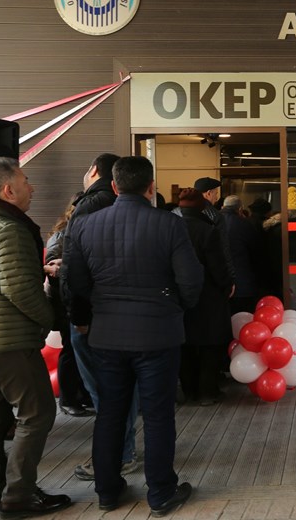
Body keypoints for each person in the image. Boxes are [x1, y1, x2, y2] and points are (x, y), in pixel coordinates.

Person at [62, 156, 204, 516]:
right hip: (158, 333)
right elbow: (191, 280)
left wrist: (91, 312)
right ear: (151, 187)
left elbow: (75, 283)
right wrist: (175, 307)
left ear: (113, 186)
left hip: (106, 334)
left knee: (110, 412)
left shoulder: (84, 226)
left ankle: (108, 491)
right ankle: (161, 493)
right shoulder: (169, 225)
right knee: (158, 416)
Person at [0, 157, 72, 519]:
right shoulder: (9, 228)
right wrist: (51, 319)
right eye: (26, 181)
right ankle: (17, 496)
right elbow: (18, 290)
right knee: (38, 414)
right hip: (11, 344)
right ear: (8, 190)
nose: (32, 188)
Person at [61, 153, 141, 482]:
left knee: (104, 391)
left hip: (93, 315)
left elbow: (76, 270)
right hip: (125, 312)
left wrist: (78, 315)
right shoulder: (133, 210)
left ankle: (116, 457)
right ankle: (124, 451)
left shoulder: (90, 206)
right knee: (122, 387)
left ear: (94, 170)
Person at [176, 188, 233, 406]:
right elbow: (218, 267)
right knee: (210, 344)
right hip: (208, 296)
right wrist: (227, 285)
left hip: (180, 297)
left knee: (185, 345)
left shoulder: (171, 228)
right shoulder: (208, 231)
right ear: (202, 206)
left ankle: (188, 390)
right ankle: (208, 391)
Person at [44, 194, 93, 418]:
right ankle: (68, 399)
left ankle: (80, 395)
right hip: (65, 302)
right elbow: (51, 269)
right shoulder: (62, 236)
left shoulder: (72, 233)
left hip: (75, 300)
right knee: (70, 351)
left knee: (77, 351)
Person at [220, 195, 262, 314]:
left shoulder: (212, 222)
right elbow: (256, 252)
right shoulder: (245, 224)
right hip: (243, 282)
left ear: (223, 206)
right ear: (239, 209)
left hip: (219, 282)